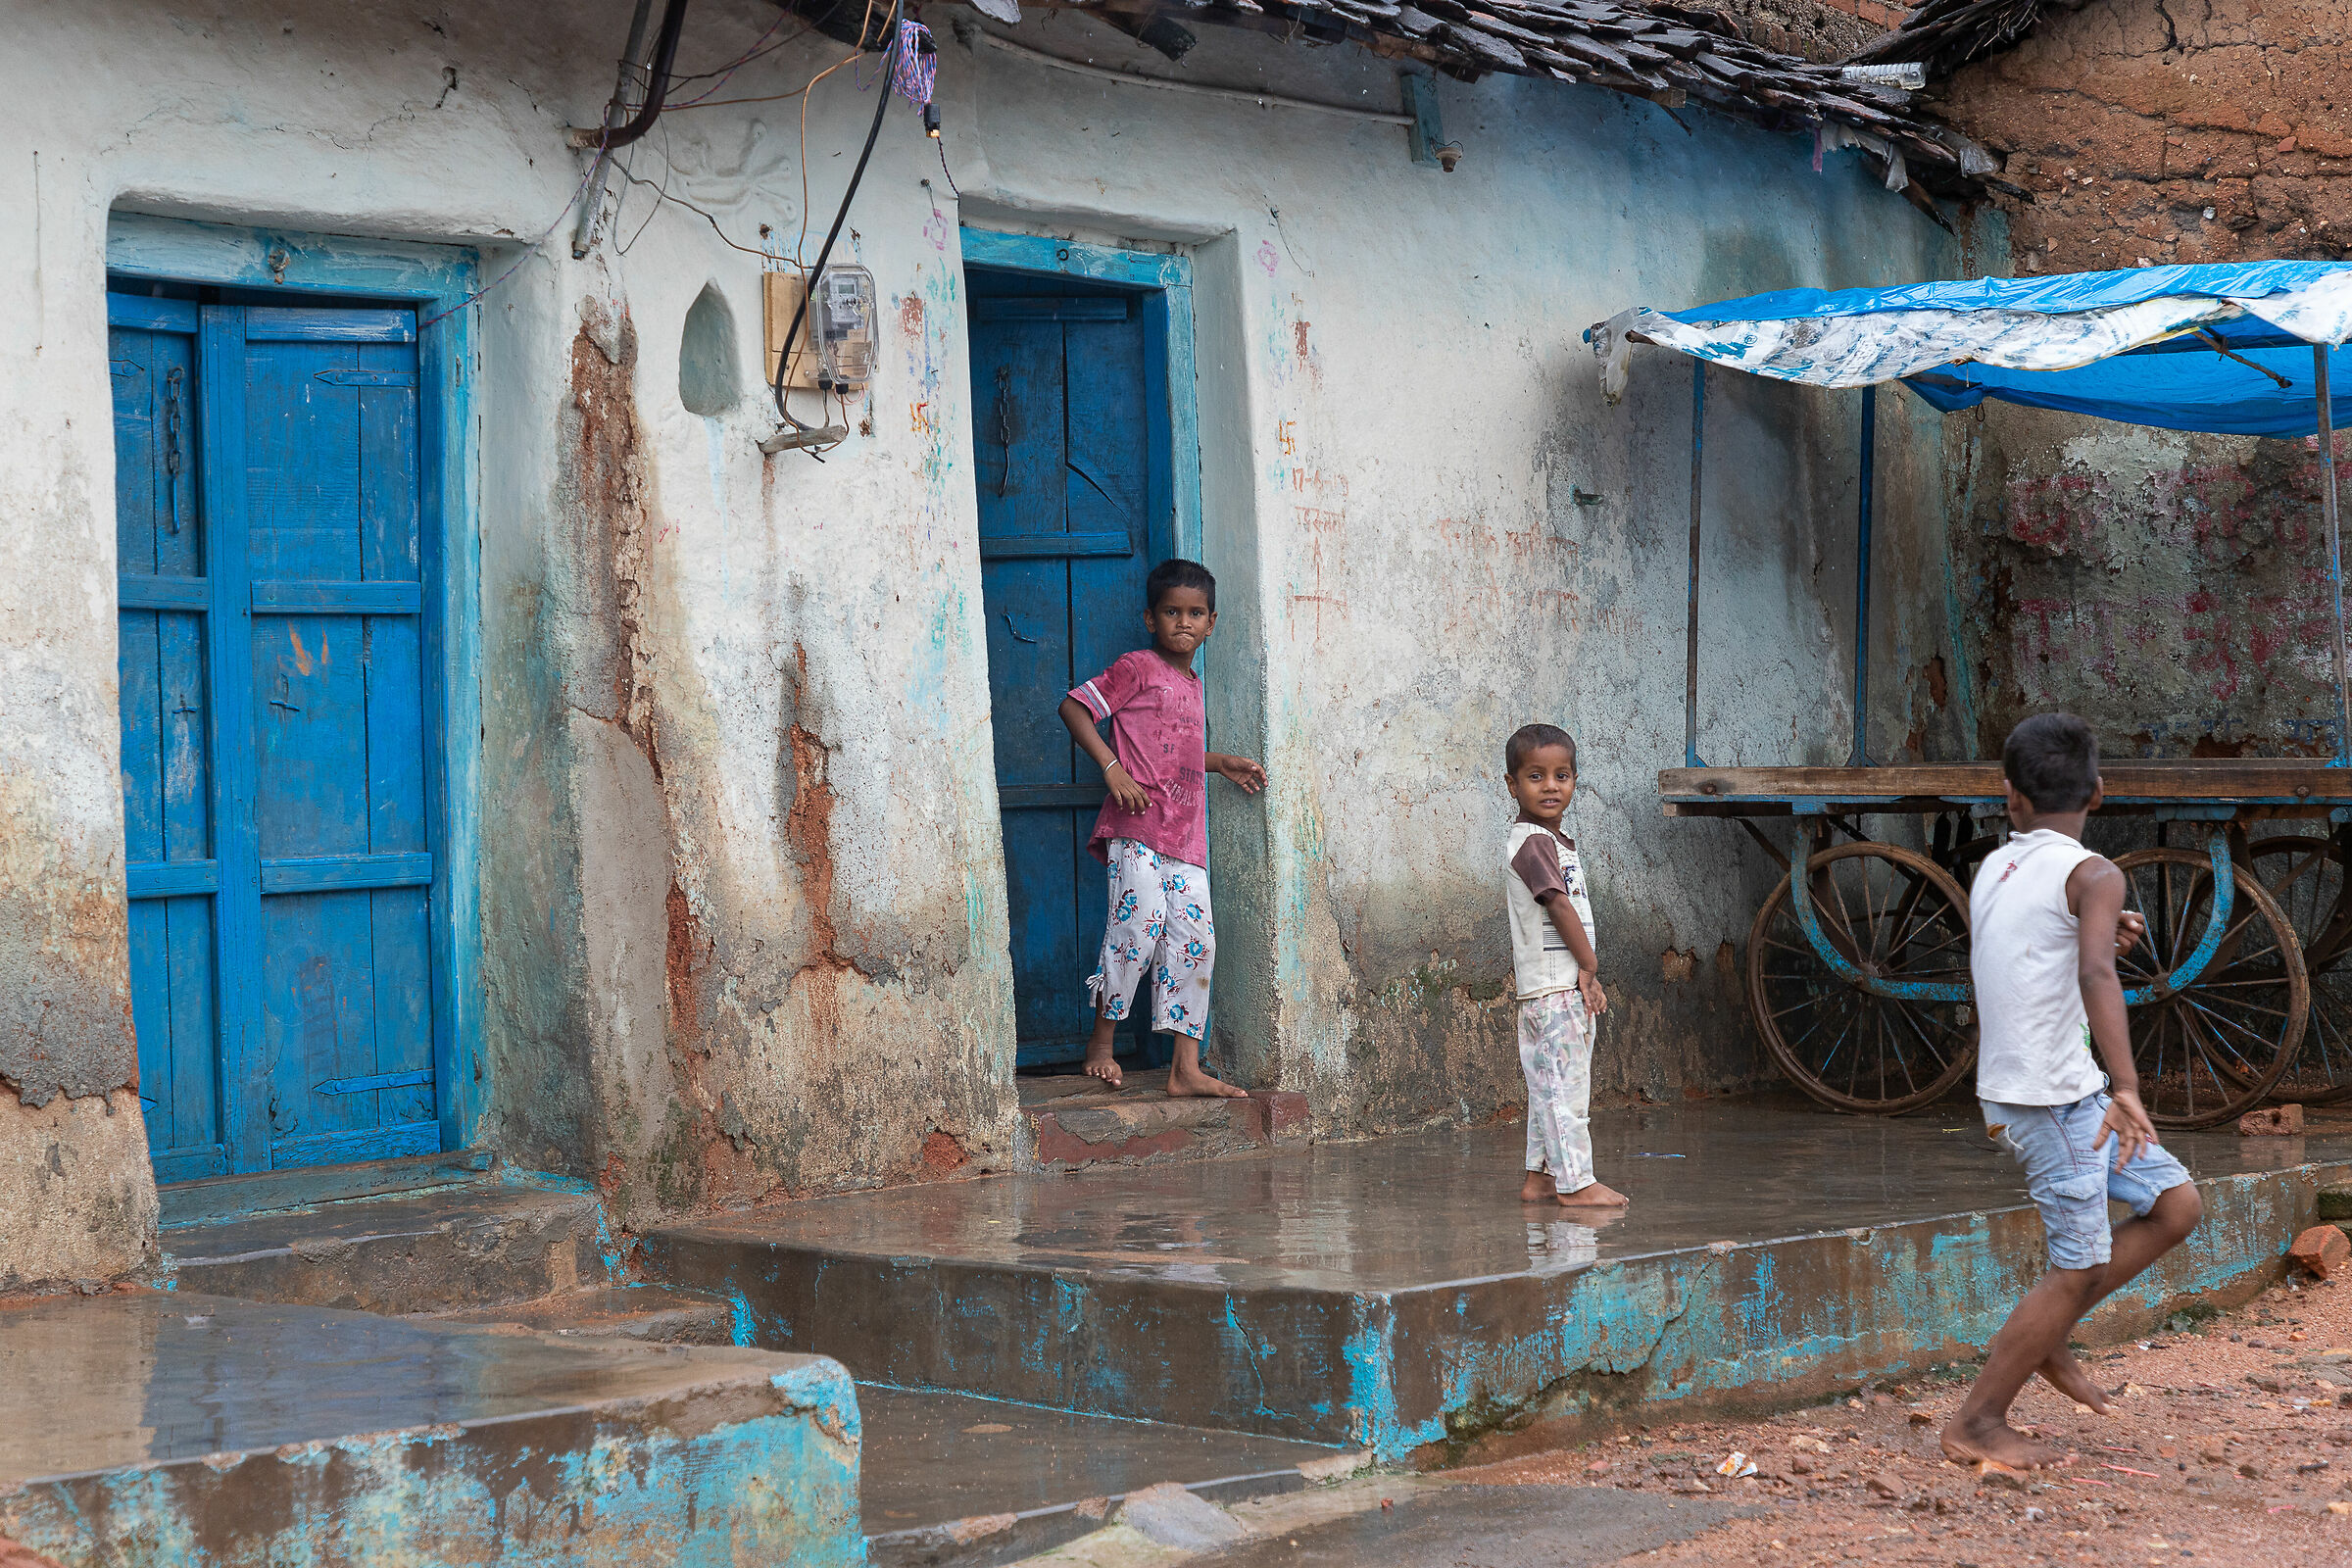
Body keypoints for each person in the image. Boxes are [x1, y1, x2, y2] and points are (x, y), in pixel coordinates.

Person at [1942, 712, 2196, 1473]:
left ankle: (2044, 1335)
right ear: (2099, 793)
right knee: (2079, 1265)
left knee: (2176, 1204)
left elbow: (2029, 948)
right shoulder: (2094, 873)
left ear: (2011, 799)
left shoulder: (1999, 866)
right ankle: (1977, 1420)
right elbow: (2094, 975)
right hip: (2052, 1097)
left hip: (2054, 1089)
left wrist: (2092, 927)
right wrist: (2129, 1086)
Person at [1057, 559, 1266, 1095]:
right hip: (1138, 827)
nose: (1184, 623)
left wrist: (1220, 763)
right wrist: (1111, 769)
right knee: (1137, 927)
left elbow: (1172, 750)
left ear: (1211, 624)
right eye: (1172, 612)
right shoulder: (1137, 667)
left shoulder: (1193, 683)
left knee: (1196, 943)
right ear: (1150, 619)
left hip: (1186, 836)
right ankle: (1101, 1045)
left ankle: (1184, 1069)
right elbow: (1075, 707)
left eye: (1196, 614)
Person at [1501, 723, 1624, 1207]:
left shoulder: (1555, 842)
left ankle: (1541, 1179)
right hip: (1552, 990)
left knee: (1548, 1087)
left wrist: (1585, 980)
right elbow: (1559, 908)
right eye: (1535, 776)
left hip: (1561, 987)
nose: (1550, 786)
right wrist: (1589, 964)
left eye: (1562, 775)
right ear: (1512, 785)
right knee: (1565, 1093)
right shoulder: (1532, 843)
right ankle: (1576, 1184)